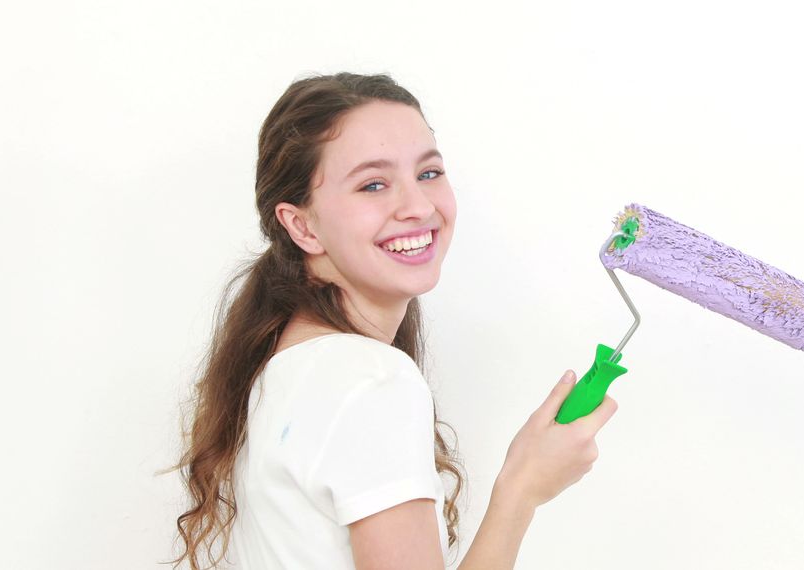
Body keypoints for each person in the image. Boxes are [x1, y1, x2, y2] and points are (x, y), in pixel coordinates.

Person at [163, 72, 619, 570]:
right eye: (373, 184)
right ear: (301, 225)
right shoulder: (371, 381)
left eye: (428, 173)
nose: (419, 207)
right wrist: (521, 489)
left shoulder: (287, 362)